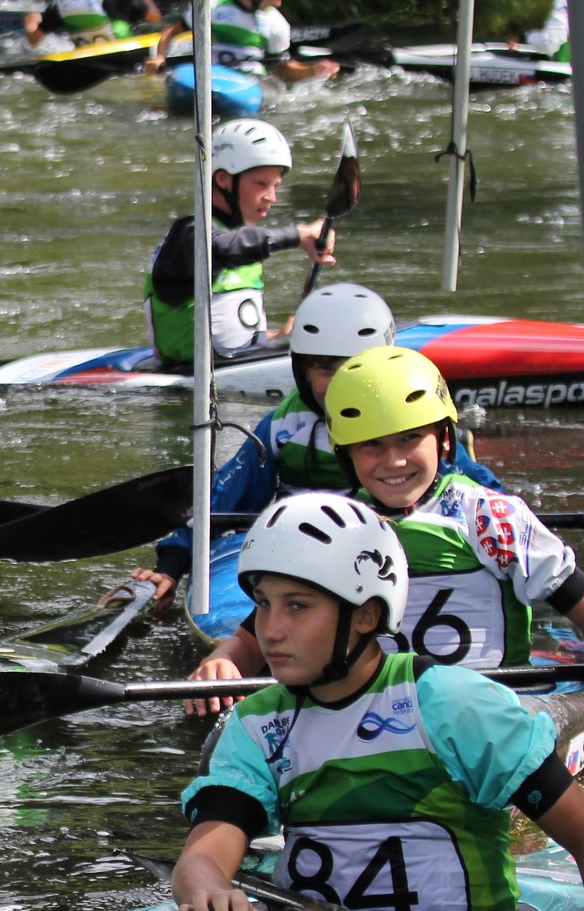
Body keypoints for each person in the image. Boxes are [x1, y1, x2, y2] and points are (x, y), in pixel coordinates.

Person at [168, 491, 584, 911]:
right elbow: (202, 856)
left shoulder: (451, 704)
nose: (271, 629)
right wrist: (208, 889)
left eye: (298, 606)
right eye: (263, 604)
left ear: (366, 614)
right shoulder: (255, 723)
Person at [181, 346, 584, 711]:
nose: (394, 461)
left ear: (444, 440)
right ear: (346, 455)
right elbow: (262, 629)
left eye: (409, 439)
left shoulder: (490, 517)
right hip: (378, 714)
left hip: (486, 709)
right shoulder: (335, 526)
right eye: (371, 445)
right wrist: (226, 659)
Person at [131, 284, 505, 609]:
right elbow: (224, 499)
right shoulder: (282, 427)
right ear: (301, 371)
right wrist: (172, 565)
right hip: (306, 542)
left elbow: (484, 498)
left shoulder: (416, 427)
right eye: (326, 368)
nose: (342, 382)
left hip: (389, 544)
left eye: (354, 365)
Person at [141, 120, 336, 368]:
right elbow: (220, 249)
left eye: (275, 186)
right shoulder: (188, 235)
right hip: (192, 375)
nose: (272, 197)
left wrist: (276, 337)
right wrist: (297, 235)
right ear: (223, 179)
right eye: (261, 184)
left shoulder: (243, 241)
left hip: (235, 362)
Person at [145, 0, 338, 81]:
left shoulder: (276, 24)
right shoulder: (212, 6)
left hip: (252, 81)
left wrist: (313, 70)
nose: (278, 3)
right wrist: (160, 57)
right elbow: (171, 31)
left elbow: (282, 68)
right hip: (211, 77)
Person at [23, 0, 160, 49]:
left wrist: (31, 23)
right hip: (127, 59)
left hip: (87, 64)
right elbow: (155, 17)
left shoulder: (60, 6)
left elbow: (33, 40)